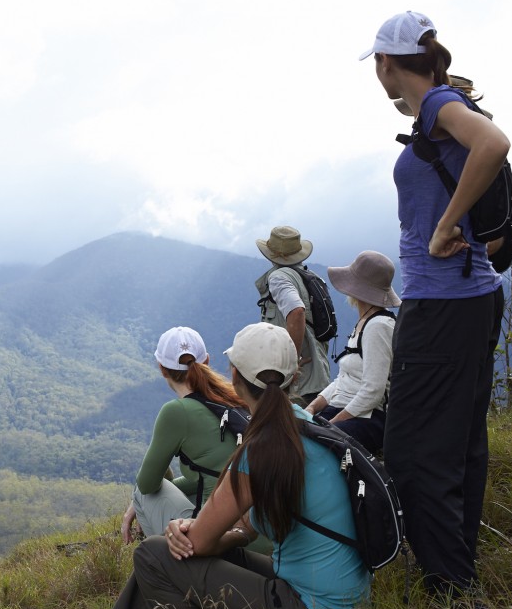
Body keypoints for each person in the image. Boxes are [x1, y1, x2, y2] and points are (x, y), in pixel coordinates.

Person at [360, 12, 507, 607]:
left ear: (387, 63)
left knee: (415, 454)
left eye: (377, 64)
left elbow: (494, 147)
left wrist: (445, 227)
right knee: (461, 445)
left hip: (442, 305)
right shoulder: (445, 106)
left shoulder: (439, 105)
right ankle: (454, 574)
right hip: (474, 298)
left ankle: (452, 594)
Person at [105, 323, 370, 609]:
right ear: (294, 377)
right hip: (340, 600)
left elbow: (200, 544)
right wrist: (219, 533)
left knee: (153, 554)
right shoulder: (307, 426)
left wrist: (187, 530)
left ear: (234, 375)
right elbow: (244, 527)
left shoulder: (259, 448)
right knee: (161, 558)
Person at [120, 326, 268, 554]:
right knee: (183, 489)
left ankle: (175, 569)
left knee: (141, 493)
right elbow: (209, 474)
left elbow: (148, 484)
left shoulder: (176, 412)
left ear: (162, 369)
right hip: (258, 531)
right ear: (206, 361)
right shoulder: (235, 398)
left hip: (219, 539)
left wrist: (139, 503)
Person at [305, 250, 401, 454]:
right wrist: (312, 408)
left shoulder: (378, 326)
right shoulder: (365, 322)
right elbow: (343, 379)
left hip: (368, 418)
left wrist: (331, 424)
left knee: (310, 446)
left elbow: (373, 391)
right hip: (346, 410)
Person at [254, 225, 331, 404]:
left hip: (297, 386)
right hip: (317, 379)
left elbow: (296, 312)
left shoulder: (279, 278)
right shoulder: (310, 276)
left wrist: (291, 361)